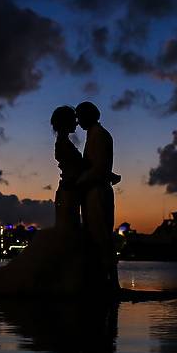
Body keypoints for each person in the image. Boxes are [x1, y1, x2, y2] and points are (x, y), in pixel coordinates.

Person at [0, 106, 87, 296]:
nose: (77, 123)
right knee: (67, 233)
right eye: (73, 119)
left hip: (69, 193)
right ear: (66, 122)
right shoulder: (63, 143)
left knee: (68, 233)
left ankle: (63, 277)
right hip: (68, 193)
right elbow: (72, 173)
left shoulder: (63, 142)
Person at [75, 102, 119, 292]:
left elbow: (99, 168)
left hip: (97, 191)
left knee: (101, 235)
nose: (77, 121)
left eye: (79, 116)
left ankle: (110, 282)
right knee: (95, 236)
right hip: (94, 190)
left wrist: (77, 184)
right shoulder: (94, 135)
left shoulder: (99, 136)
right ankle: (103, 280)